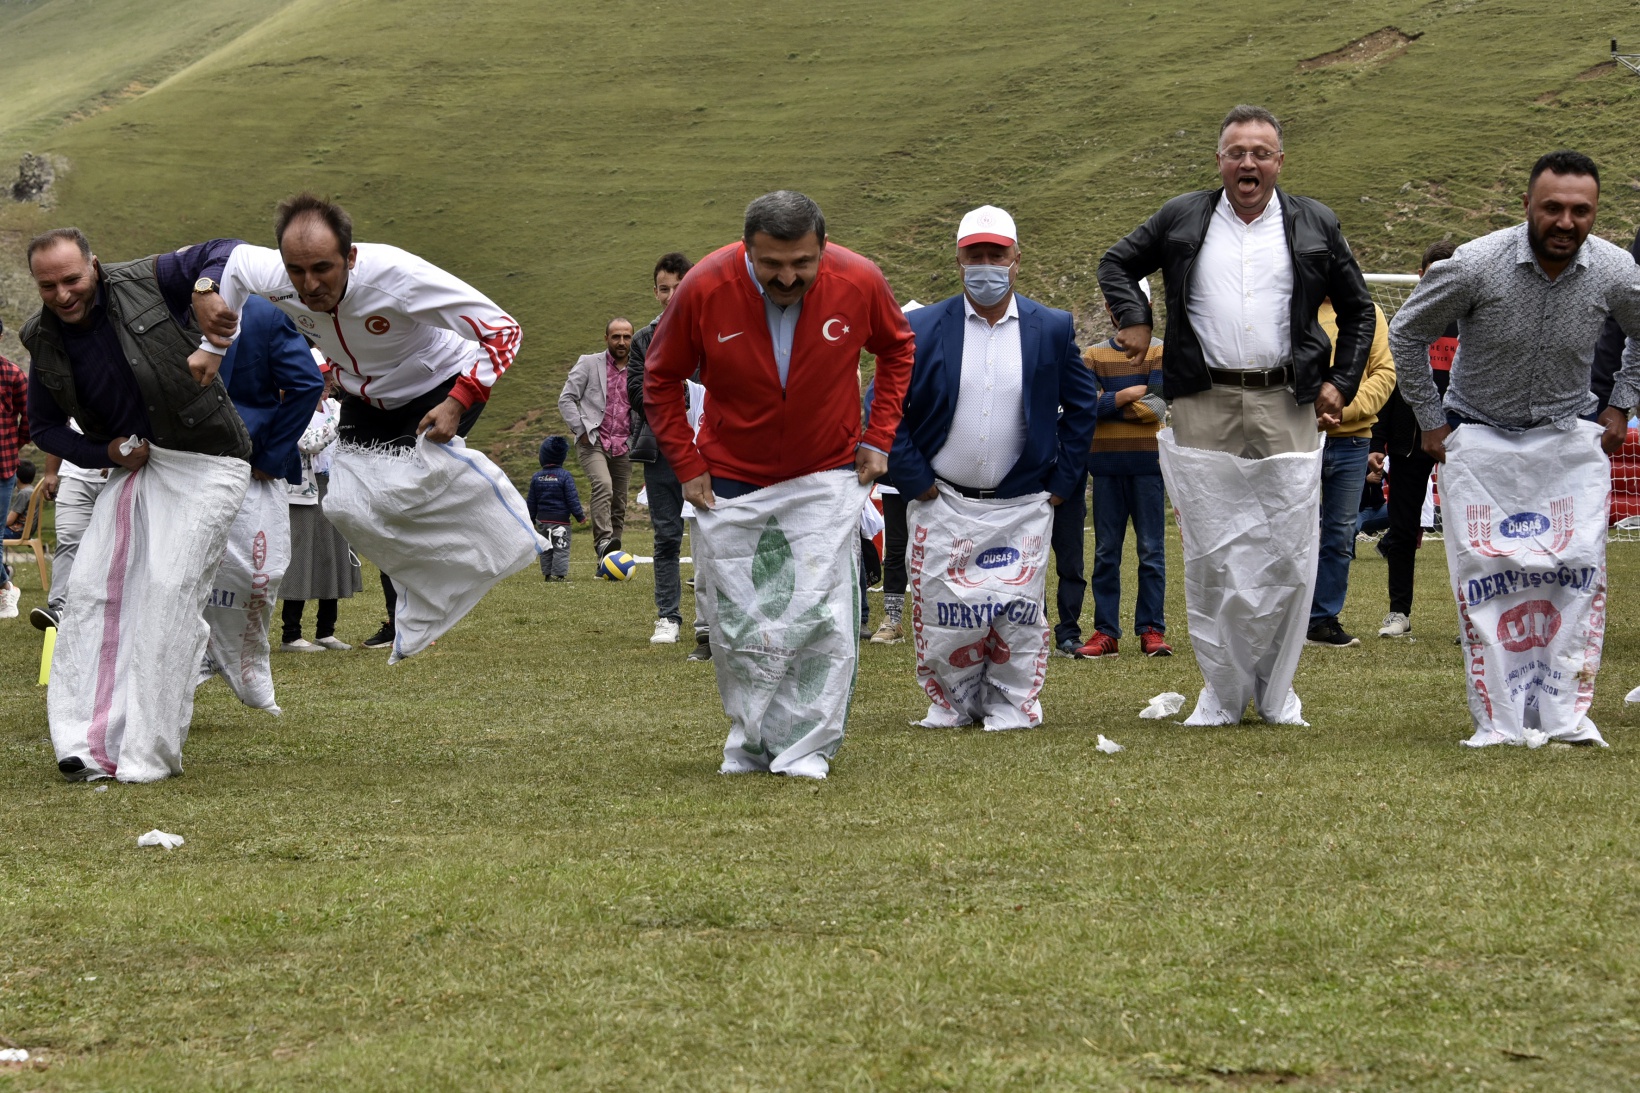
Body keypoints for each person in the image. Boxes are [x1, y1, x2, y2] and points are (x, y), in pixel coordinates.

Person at [1097, 104, 1375, 726]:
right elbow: (1117, 262)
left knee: (1288, 552)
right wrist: (1134, 318)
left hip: (1287, 400)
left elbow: (1359, 310)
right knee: (1211, 551)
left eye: (1261, 152)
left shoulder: (1316, 223)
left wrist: (1341, 381)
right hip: (1202, 399)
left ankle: (1278, 695)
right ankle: (1221, 694)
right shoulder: (1180, 217)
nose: (1248, 162)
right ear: (1219, 160)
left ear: (1279, 161)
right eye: (1236, 152)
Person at [645, 190, 914, 778]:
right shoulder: (704, 288)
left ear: (823, 248)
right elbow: (660, 378)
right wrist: (688, 464)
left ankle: (808, 747)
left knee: (822, 617)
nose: (787, 277)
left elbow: (897, 349)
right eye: (771, 265)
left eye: (802, 264)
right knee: (744, 620)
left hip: (826, 471)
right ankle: (751, 742)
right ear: (747, 250)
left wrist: (880, 436)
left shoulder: (860, 279)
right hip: (734, 479)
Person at [1390, 149, 1640, 747]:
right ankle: (1498, 716)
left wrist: (1621, 402)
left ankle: (1561, 712)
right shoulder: (1476, 264)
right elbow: (1406, 331)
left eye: (1581, 210)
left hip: (1564, 442)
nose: (1565, 221)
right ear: (1527, 205)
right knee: (1492, 578)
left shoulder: (1615, 269)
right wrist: (1430, 419)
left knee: (1570, 575)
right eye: (1551, 207)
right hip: (1479, 442)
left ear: (1595, 213)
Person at [196, 193, 522, 650]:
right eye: (296, 270)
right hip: (365, 394)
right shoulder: (272, 271)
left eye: (322, 269)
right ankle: (407, 611)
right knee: (349, 507)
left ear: (349, 257)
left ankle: (505, 536)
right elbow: (230, 265)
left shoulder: (399, 277)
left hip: (436, 385)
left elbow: (504, 331)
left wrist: (459, 400)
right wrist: (214, 347)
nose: (308, 286)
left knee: (401, 492)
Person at [23, 226, 254, 781]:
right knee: (92, 594)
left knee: (169, 592)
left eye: (72, 279)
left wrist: (203, 288)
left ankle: (148, 753)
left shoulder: (146, 281)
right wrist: (98, 449)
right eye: (48, 285)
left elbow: (225, 251)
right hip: (138, 466)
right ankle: (87, 741)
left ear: (94, 266)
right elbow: (44, 426)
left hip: (209, 458)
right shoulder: (42, 338)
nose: (63, 295)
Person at [890, 205, 1099, 729]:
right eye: (975, 255)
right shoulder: (920, 326)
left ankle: (1011, 705)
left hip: (1023, 503)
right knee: (945, 611)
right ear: (959, 260)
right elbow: (885, 407)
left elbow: (1081, 407)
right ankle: (949, 703)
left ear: (1016, 259)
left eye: (996, 255)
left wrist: (1061, 482)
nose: (986, 265)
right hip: (943, 499)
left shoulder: (1050, 328)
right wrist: (915, 480)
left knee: (1017, 614)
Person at [1057, 282, 1170, 660]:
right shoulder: (1092, 356)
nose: (1122, 309)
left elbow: (1155, 408)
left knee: (1151, 550)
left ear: (1148, 305)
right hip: (1104, 467)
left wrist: (1106, 402)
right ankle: (1106, 632)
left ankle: (1152, 629)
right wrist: (1125, 395)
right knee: (1107, 552)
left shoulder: (1158, 352)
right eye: (1116, 303)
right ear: (1107, 306)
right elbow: (1083, 407)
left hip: (1148, 466)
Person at [1373, 240, 1456, 638]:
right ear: (1421, 275)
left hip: (1462, 442)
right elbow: (1389, 387)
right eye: (1432, 272)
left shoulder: (1475, 320)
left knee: (1466, 531)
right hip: (1408, 443)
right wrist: (1377, 443)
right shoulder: (1404, 322)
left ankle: (1472, 617)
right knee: (1403, 529)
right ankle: (1398, 613)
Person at [1305, 298, 1397, 647]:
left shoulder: (1368, 312)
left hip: (1353, 441)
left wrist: (1342, 410)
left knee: (1340, 537)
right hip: (1299, 436)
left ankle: (1322, 622)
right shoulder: (1291, 304)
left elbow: (1384, 373)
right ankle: (1284, 620)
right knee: (1291, 533)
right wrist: (1307, 415)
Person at [627, 252, 703, 649]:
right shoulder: (643, 338)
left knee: (713, 534)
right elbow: (638, 393)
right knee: (667, 535)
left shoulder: (712, 329)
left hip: (710, 449)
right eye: (663, 288)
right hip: (661, 450)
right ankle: (668, 616)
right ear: (654, 291)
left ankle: (713, 618)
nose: (671, 295)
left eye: (678, 286)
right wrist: (681, 400)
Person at [281, 364, 362, 651]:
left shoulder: (333, 407)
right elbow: (309, 444)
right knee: (301, 558)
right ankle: (291, 634)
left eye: (329, 378)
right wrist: (342, 421)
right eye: (320, 378)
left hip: (333, 487)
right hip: (303, 492)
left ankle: (326, 631)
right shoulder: (294, 408)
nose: (327, 383)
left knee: (333, 556)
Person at [559, 319, 635, 561]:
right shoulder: (589, 363)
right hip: (593, 441)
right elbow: (567, 398)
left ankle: (611, 559)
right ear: (606, 339)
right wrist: (581, 431)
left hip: (625, 444)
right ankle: (603, 541)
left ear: (632, 338)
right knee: (603, 485)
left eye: (626, 336)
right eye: (616, 337)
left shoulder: (639, 368)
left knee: (620, 502)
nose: (621, 341)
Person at [29, 439, 109, 632]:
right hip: (76, 474)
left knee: (116, 545)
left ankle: (111, 613)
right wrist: (50, 472)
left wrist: (116, 456)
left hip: (121, 475)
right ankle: (59, 609)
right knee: (68, 540)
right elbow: (59, 425)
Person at [526, 435, 586, 580]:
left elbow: (531, 502)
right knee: (561, 548)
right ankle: (558, 576)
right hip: (561, 522)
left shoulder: (536, 477)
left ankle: (547, 575)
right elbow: (572, 499)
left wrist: (530, 519)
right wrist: (579, 516)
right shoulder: (565, 476)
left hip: (542, 522)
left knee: (546, 549)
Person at [0, 329, 28, 619]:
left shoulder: (13, 374)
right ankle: (7, 585)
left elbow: (30, 416)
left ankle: (7, 588)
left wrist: (13, 443)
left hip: (3, 468)